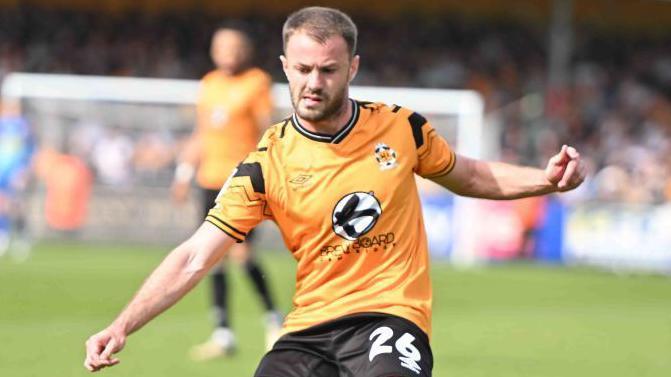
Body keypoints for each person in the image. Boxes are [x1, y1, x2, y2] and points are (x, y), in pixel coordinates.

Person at [84, 7, 585, 377]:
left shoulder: (401, 129)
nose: (314, 83)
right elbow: (196, 255)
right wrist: (122, 324)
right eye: (303, 69)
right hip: (308, 330)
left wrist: (545, 179)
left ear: (353, 68)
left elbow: (469, 175)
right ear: (285, 67)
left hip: (390, 317)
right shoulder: (266, 163)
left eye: (328, 69)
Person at [170, 24, 282, 359]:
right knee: (210, 258)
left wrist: (272, 169)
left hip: (243, 181)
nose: (228, 54)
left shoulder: (256, 82)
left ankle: (276, 322)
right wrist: (183, 172)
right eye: (222, 47)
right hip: (209, 180)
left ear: (244, 50)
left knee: (241, 255)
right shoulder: (209, 84)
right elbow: (202, 132)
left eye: (234, 47)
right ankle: (223, 335)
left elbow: (268, 129)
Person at [0, 97, 35, 259]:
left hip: (16, 171)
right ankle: (4, 235)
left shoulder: (22, 125)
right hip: (2, 171)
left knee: (17, 205)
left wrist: (25, 170)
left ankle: (22, 236)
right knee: (3, 204)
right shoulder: (2, 124)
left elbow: (30, 149)